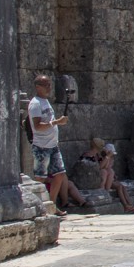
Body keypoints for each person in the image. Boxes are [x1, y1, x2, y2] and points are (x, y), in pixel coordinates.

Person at [27, 75, 88, 213]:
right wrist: (56, 122)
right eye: (46, 85)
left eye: (49, 84)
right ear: (38, 87)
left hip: (53, 145)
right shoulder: (36, 104)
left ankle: (52, 205)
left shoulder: (45, 101)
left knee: (60, 174)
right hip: (42, 146)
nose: (49, 87)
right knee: (40, 178)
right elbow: (37, 126)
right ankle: (37, 207)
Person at [77, 136, 134, 212]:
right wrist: (107, 156)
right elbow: (99, 168)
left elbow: (105, 166)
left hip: (98, 177)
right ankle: (105, 192)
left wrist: (108, 158)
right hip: (90, 178)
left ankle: (129, 205)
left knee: (110, 172)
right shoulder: (87, 155)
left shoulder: (98, 156)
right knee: (105, 172)